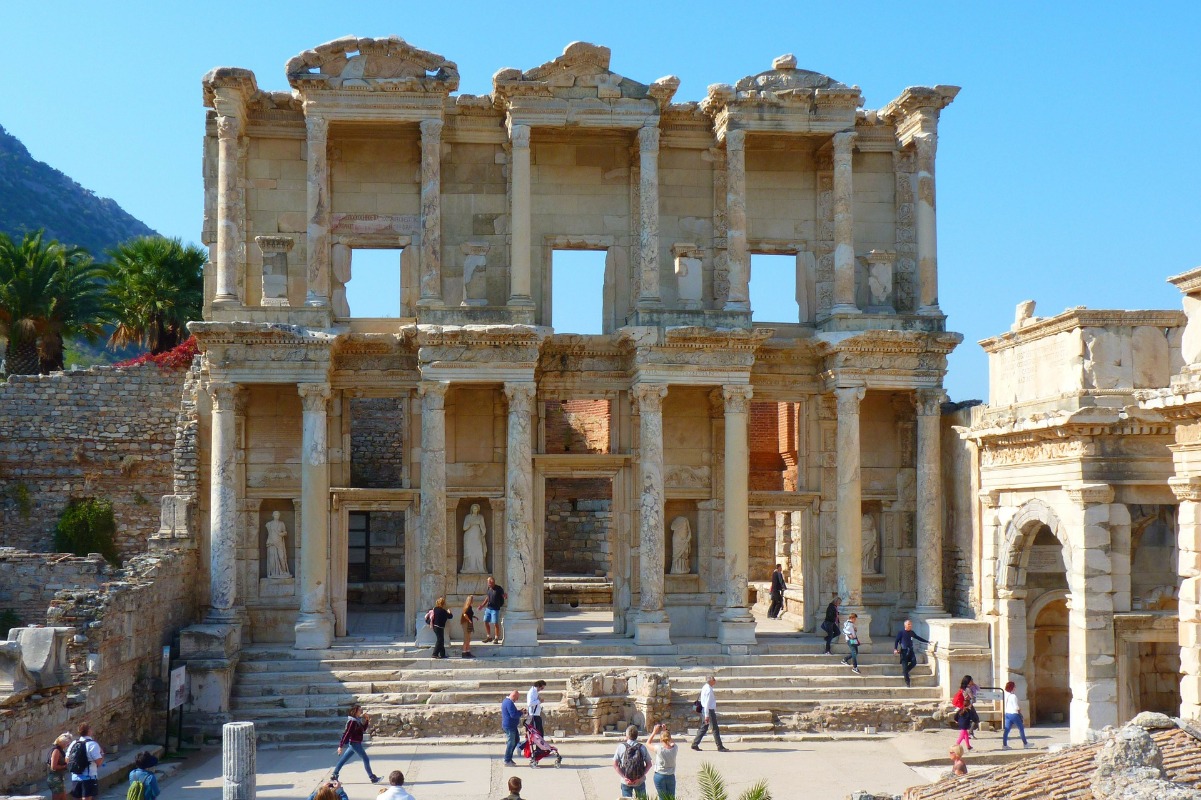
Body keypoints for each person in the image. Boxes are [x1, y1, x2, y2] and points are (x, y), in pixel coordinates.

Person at [332, 704, 380, 783]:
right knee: (366, 759)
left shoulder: (357, 720)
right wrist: (340, 746)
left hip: (354, 744)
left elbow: (363, 729)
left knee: (343, 760)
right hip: (355, 744)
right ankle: (372, 778)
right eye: (359, 710)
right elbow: (346, 733)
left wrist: (367, 720)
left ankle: (334, 775)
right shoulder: (352, 722)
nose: (361, 711)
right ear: (355, 711)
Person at [612, 724, 652, 799]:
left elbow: (615, 764)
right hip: (639, 781)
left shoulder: (621, 747)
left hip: (626, 781)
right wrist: (641, 776)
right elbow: (649, 764)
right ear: (637, 735)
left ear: (627, 736)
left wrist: (624, 777)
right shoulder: (642, 747)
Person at [691, 675, 729, 752]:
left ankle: (695, 744)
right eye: (714, 679)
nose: (715, 681)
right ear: (711, 681)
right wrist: (707, 715)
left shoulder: (705, 687)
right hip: (708, 711)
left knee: (704, 727)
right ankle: (720, 746)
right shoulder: (708, 689)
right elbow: (707, 703)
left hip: (705, 710)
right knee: (715, 728)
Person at [67, 723, 103, 800]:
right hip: (89, 776)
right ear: (89, 731)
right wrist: (102, 754)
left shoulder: (74, 743)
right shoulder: (93, 744)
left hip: (75, 777)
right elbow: (99, 762)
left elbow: (67, 759)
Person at [893, 619, 929, 688]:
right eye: (909, 624)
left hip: (911, 651)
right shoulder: (901, 632)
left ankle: (905, 672)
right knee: (904, 667)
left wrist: (927, 641)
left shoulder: (912, 632)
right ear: (905, 625)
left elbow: (918, 638)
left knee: (914, 662)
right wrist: (895, 649)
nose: (910, 626)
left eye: (911, 624)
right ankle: (908, 682)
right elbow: (896, 641)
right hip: (904, 651)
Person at [648, 723, 677, 799]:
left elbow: (648, 743)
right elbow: (671, 741)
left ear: (661, 739)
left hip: (660, 775)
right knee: (671, 798)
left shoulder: (659, 749)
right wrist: (665, 731)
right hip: (670, 775)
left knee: (662, 798)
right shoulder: (675, 748)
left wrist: (654, 732)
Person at [478, 576, 507, 644]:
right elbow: (487, 597)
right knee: (485, 621)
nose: (489, 584)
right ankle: (489, 637)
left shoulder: (499, 588)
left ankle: (496, 638)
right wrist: (482, 605)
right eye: (488, 583)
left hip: (495, 609)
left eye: (490, 583)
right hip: (488, 608)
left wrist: (505, 596)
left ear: (493, 582)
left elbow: (503, 595)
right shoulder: (489, 588)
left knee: (495, 623)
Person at [1001, 680, 1030, 749]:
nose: (1015, 688)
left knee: (1007, 730)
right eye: (1014, 687)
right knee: (1021, 729)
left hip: (1007, 714)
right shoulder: (1013, 696)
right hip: (1014, 714)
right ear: (1012, 687)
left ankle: (1004, 745)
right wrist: (1019, 711)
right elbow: (1016, 707)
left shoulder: (1005, 695)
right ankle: (1025, 743)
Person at [461, 503, 488, 573]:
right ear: (471, 509)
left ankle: (480, 568)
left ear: (478, 510)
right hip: (469, 537)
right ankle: (468, 567)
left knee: (478, 550)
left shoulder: (480, 517)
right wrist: (471, 523)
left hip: (477, 536)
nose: (475, 510)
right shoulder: (468, 517)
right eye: (473, 509)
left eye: (476, 509)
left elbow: (484, 528)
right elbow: (464, 528)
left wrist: (479, 524)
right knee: (469, 551)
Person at [46, 732, 71, 800]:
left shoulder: (60, 750)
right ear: (62, 742)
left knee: (63, 797)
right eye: (67, 743)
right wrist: (64, 766)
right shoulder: (56, 751)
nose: (68, 745)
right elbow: (53, 767)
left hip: (59, 778)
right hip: (55, 779)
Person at [501, 689, 522, 766]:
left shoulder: (507, 701)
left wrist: (519, 711)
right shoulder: (509, 703)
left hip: (512, 726)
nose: (517, 700)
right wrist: (521, 712)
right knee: (511, 743)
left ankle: (509, 758)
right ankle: (507, 760)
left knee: (516, 740)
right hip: (510, 726)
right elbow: (513, 715)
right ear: (513, 696)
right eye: (517, 698)